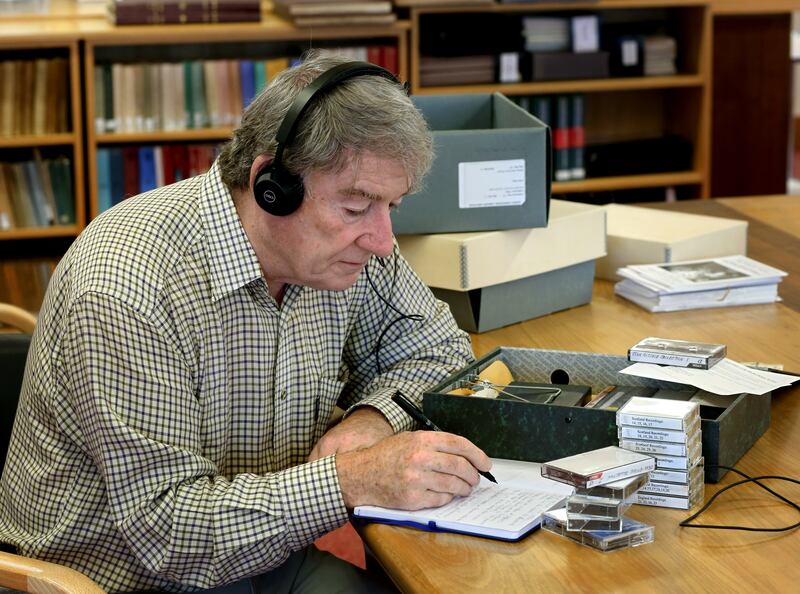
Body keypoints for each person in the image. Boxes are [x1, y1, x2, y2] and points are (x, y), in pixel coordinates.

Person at [0, 53, 493, 593]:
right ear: (270, 187)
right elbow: (168, 536)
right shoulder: (128, 286)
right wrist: (352, 478)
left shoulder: (345, 252)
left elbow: (440, 351)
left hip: (263, 551)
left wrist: (372, 420)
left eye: (391, 207)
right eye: (355, 208)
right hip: (122, 578)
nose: (381, 240)